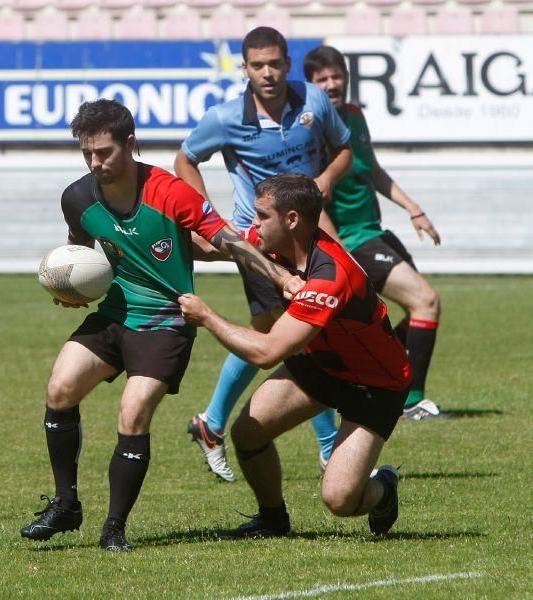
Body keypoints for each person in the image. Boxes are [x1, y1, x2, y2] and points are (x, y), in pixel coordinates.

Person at [20, 99, 299, 552]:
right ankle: (65, 504)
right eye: (88, 153)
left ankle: (114, 529)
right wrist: (71, 291)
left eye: (105, 152)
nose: (96, 162)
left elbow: (227, 240)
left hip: (166, 321)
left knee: (132, 414)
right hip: (113, 314)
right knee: (60, 389)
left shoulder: (171, 192)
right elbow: (78, 252)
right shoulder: (77, 197)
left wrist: (282, 275)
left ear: (130, 144)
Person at [179, 173, 408, 537]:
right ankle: (273, 519)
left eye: (261, 216)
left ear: (291, 220)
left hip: (375, 384)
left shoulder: (330, 275)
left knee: (339, 500)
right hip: (322, 365)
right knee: (248, 433)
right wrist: (144, 233)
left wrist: (207, 317)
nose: (254, 223)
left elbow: (268, 352)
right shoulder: (275, 245)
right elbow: (213, 245)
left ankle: (383, 488)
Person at [174, 26, 353, 481]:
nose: (268, 73)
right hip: (260, 241)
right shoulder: (225, 117)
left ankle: (212, 424)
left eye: (275, 63)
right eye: (258, 65)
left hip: (311, 236)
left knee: (280, 333)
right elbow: (185, 159)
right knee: (303, 334)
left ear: (289, 64)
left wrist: (328, 178)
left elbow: (345, 149)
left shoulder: (313, 101)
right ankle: (329, 447)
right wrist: (208, 217)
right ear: (245, 68)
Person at [304, 45, 444, 421]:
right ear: (311, 86)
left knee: (413, 313)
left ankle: (372, 379)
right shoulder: (311, 130)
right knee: (425, 302)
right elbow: (312, 195)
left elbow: (373, 170)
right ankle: (410, 401)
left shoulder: (354, 116)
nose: (332, 84)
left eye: (337, 77)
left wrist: (414, 209)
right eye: (323, 79)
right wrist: (335, 251)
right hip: (353, 241)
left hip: (374, 232)